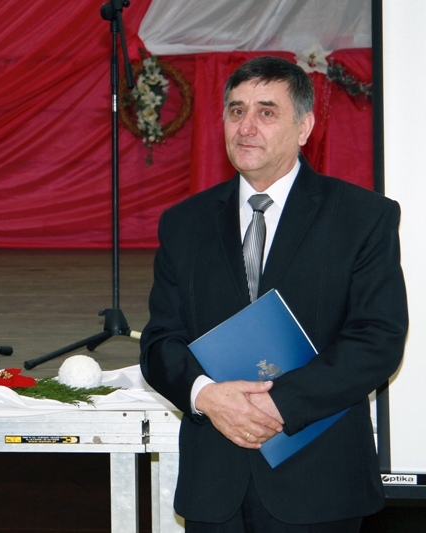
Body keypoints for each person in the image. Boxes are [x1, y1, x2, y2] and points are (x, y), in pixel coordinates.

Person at [140, 55, 408, 532]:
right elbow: (161, 342)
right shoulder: (184, 223)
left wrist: (278, 403)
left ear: (304, 127)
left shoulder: (362, 217)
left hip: (319, 484)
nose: (247, 127)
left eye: (266, 112)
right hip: (215, 485)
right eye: (236, 110)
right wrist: (206, 396)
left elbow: (377, 339)